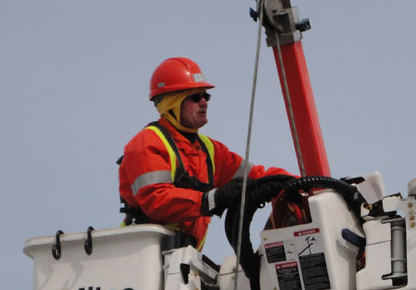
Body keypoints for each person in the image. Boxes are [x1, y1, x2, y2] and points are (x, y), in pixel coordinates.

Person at [119, 57, 292, 250]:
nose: (204, 102)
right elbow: (156, 201)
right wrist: (213, 199)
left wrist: (298, 183)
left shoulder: (211, 151)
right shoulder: (147, 143)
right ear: (171, 103)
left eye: (206, 96)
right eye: (195, 97)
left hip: (182, 263)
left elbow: (257, 178)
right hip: (142, 259)